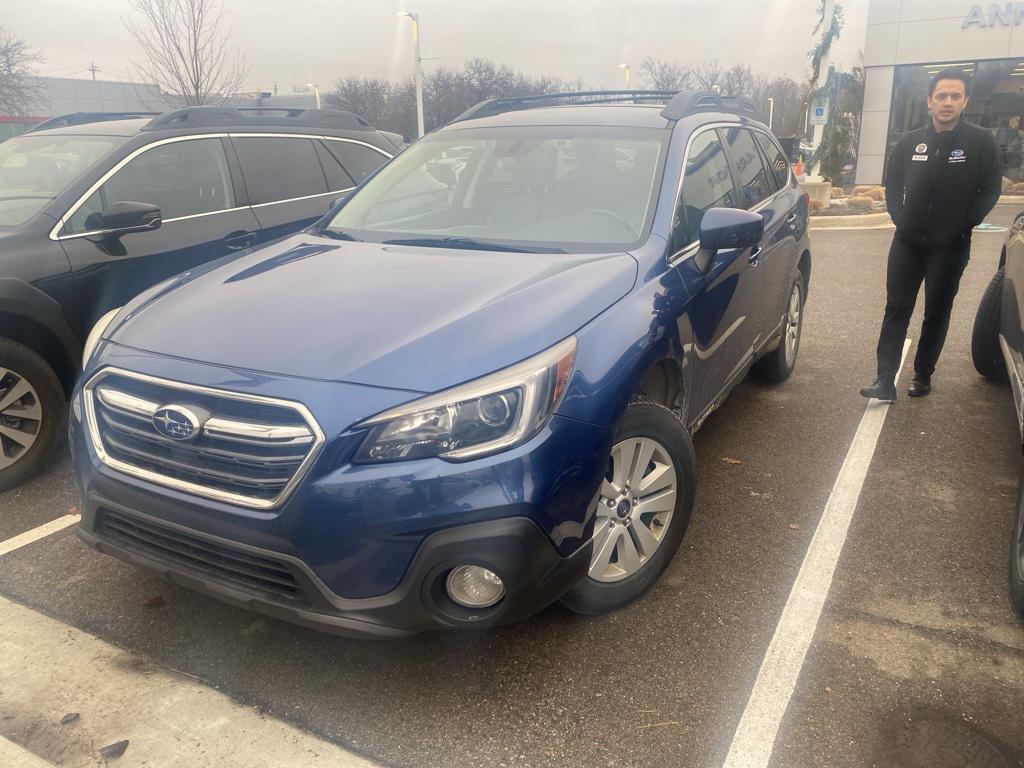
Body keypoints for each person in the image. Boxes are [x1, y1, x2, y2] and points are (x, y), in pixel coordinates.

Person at [860, 68, 1003, 402]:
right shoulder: (910, 142)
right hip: (908, 243)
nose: (947, 102)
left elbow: (991, 189)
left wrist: (965, 224)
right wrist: (899, 218)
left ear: (965, 101)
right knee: (896, 308)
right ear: (929, 101)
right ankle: (884, 379)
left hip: (951, 246)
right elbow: (893, 185)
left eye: (955, 96)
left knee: (936, 312)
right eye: (941, 96)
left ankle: (923, 374)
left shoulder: (980, 142)